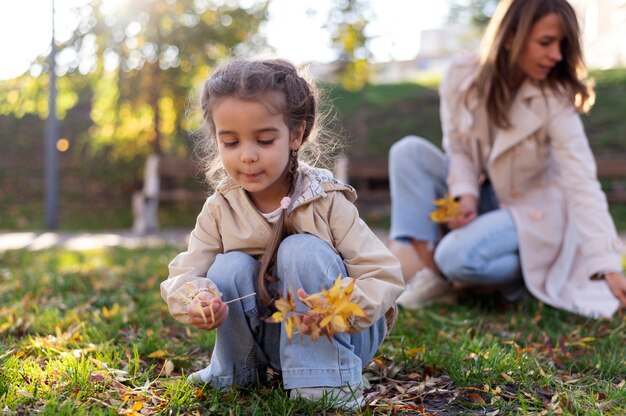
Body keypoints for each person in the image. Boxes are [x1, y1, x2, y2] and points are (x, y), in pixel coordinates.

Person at [160, 58, 403, 410]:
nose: (247, 156)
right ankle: (235, 371)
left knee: (301, 249)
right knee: (226, 267)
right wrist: (197, 300)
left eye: (263, 139)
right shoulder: (221, 208)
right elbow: (186, 273)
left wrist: (343, 309)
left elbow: (384, 272)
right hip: (270, 336)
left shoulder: (325, 199)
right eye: (230, 142)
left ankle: (325, 380)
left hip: (338, 334)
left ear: (297, 135)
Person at [388, 0, 626, 317]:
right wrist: (465, 194)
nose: (556, 55)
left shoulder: (554, 97)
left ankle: (497, 273)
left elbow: (582, 182)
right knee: (408, 152)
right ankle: (434, 273)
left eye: (562, 45)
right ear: (511, 36)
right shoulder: (460, 76)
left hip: (534, 210)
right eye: (546, 42)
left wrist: (607, 265)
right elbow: (458, 148)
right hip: (489, 198)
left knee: (457, 256)